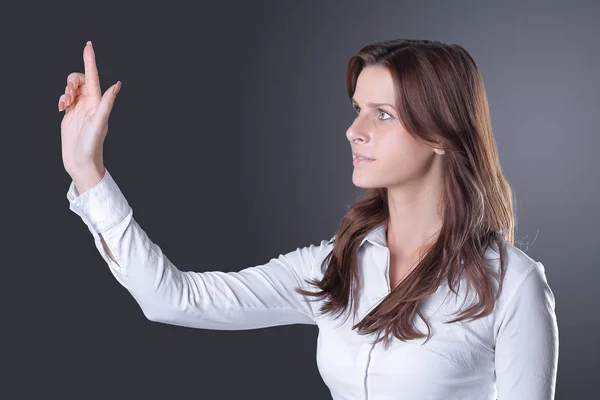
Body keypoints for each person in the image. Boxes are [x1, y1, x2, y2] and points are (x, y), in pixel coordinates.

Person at [59, 39, 559, 399]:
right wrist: (88, 172)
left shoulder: (511, 286)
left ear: (441, 134)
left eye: (381, 114)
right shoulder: (332, 267)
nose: (353, 131)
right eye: (357, 109)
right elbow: (173, 299)